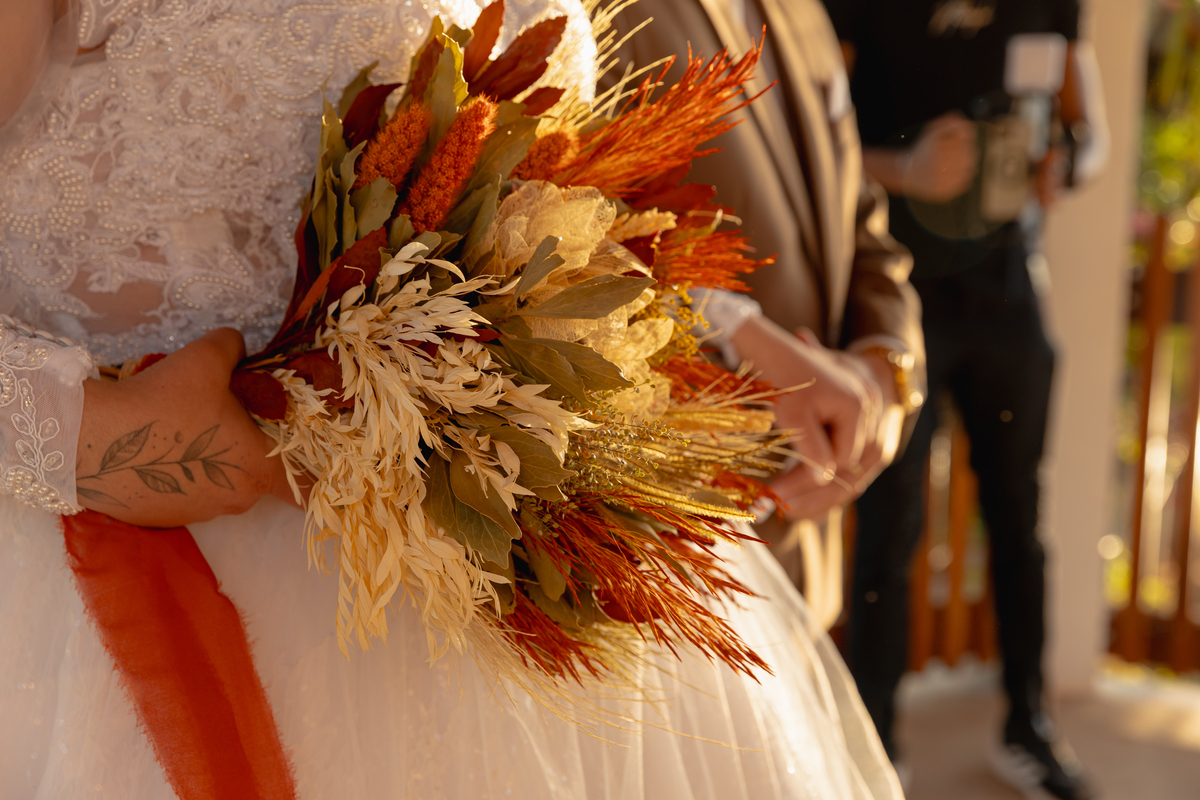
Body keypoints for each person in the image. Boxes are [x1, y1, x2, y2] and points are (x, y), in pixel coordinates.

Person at [0, 1, 905, 798]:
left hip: (478, 571)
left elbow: (525, 183)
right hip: (136, 590)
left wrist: (724, 326)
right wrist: (78, 433)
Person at [824, 1, 1106, 798]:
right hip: (897, 301)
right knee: (888, 525)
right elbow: (816, 131)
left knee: (1022, 520)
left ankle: (1030, 726)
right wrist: (904, 169)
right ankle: (876, 744)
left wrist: (1069, 163)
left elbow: (1090, 132)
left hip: (1011, 298)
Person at [606, 0, 927, 619]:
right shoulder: (601, 12)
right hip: (660, 552)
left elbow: (861, 222)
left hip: (802, 561)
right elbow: (544, 237)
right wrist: (740, 342)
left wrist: (885, 371)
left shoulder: (803, 13)